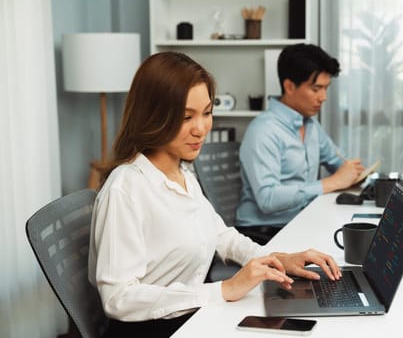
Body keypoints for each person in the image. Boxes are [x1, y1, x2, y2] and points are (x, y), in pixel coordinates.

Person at [87, 51, 342, 338]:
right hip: (154, 329)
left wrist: (278, 259)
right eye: (186, 117)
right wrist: (224, 289)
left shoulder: (183, 173)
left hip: (192, 317)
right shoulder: (126, 188)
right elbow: (118, 298)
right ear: (153, 116)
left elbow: (222, 237)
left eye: (207, 113)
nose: (201, 128)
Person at [236, 43, 365, 240]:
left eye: (326, 88)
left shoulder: (311, 125)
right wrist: (331, 183)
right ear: (289, 86)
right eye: (316, 89)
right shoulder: (263, 130)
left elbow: (337, 161)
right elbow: (267, 199)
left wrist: (353, 172)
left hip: (300, 221)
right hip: (265, 232)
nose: (324, 97)